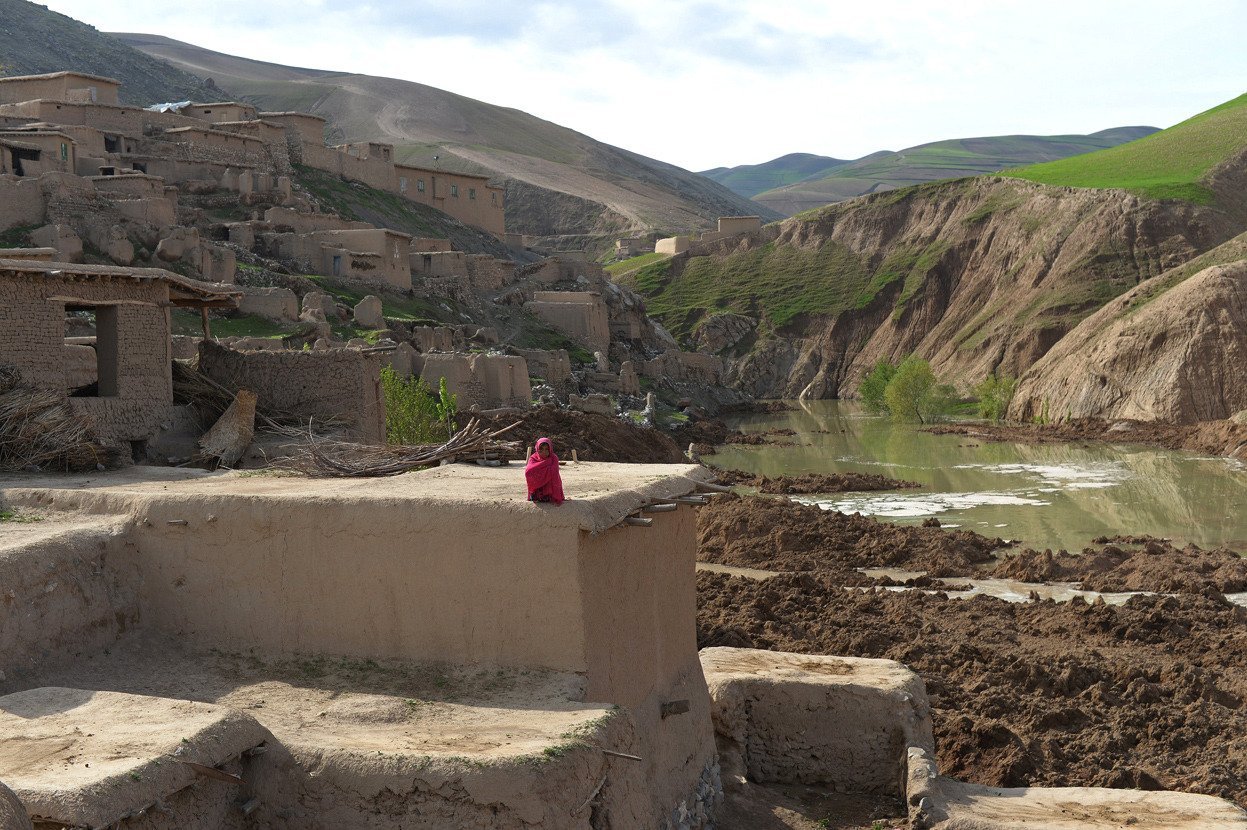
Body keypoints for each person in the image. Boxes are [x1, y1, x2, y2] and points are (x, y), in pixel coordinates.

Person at [524, 437, 565, 505]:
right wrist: (543, 472)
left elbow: (554, 474)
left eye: (546, 449)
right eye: (541, 449)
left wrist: (543, 471)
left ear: (550, 449)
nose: (544, 452)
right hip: (537, 491)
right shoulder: (533, 458)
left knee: (552, 477)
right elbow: (528, 472)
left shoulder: (553, 458)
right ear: (537, 449)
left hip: (550, 491)